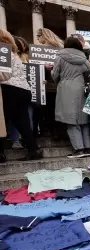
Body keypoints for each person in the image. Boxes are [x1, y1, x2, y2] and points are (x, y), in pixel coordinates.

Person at [0, 30, 41, 162]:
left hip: (9, 88)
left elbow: (4, 74)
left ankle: (1, 153)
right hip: (23, 89)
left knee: (3, 121)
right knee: (22, 122)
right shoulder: (13, 54)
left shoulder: (3, 51)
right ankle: (33, 150)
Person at [52, 37, 90, 158]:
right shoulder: (85, 60)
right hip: (82, 88)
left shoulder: (60, 57)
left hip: (66, 88)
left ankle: (78, 149)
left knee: (70, 120)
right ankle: (86, 146)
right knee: (83, 120)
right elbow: (89, 72)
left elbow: (55, 74)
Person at [36, 28, 63, 139]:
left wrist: (43, 67)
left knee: (48, 110)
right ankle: (57, 131)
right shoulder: (60, 49)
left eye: (38, 36)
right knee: (56, 109)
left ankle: (52, 131)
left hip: (48, 85)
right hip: (57, 85)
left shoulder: (42, 50)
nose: (37, 39)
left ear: (44, 36)